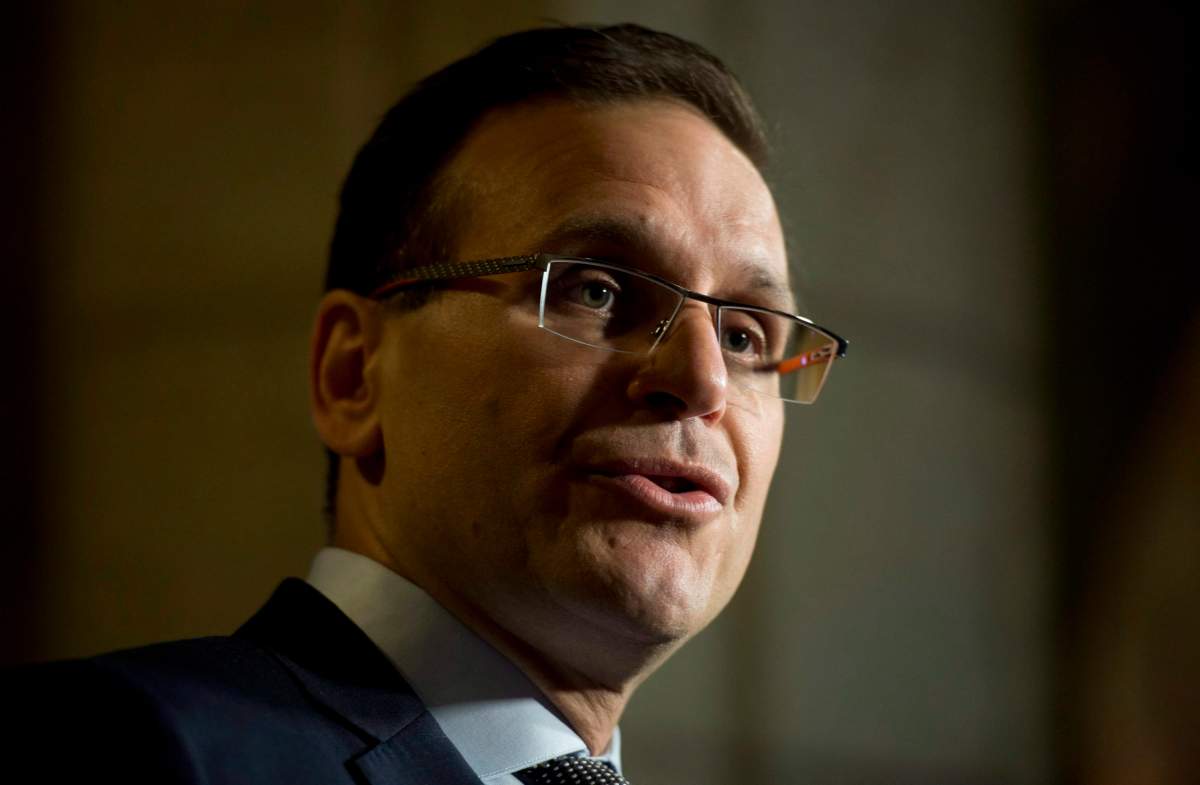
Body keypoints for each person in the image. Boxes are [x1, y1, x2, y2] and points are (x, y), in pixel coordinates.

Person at [7, 23, 846, 784]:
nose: (702, 379)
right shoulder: (125, 748)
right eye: (597, 289)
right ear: (353, 373)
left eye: (745, 336)